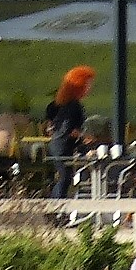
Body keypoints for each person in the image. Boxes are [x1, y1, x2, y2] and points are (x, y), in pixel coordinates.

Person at [45, 65, 93, 198]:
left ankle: (57, 203)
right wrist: (85, 136)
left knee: (64, 176)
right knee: (65, 177)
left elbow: (56, 126)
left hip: (57, 144)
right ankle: (57, 204)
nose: (90, 87)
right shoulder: (74, 106)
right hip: (62, 146)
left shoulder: (64, 103)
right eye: (88, 84)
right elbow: (70, 129)